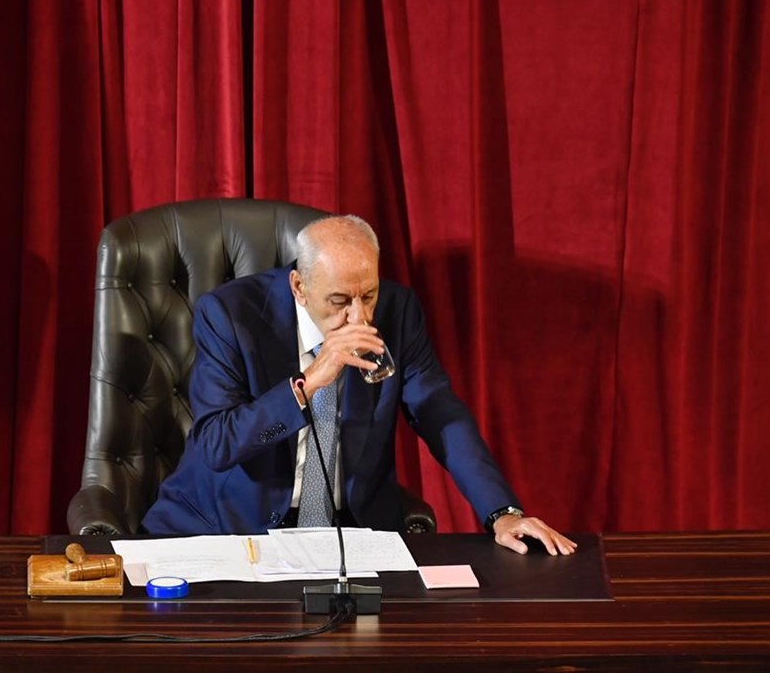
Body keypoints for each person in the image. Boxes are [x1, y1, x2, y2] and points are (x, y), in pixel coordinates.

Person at [141, 215, 576, 555]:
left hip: (349, 532)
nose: (359, 317)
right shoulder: (230, 315)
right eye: (339, 301)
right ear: (299, 287)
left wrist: (502, 512)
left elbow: (440, 413)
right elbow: (216, 444)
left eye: (368, 295)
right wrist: (310, 382)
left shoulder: (398, 312)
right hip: (231, 530)